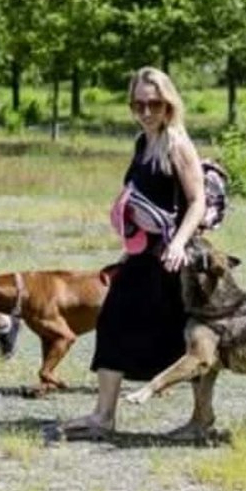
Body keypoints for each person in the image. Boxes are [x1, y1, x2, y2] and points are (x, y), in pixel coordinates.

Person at [61, 67, 207, 437]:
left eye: (154, 104)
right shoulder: (144, 143)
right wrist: (129, 249)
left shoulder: (177, 144)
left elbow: (197, 202)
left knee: (186, 337)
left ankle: (201, 418)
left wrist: (176, 245)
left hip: (172, 258)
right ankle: (103, 415)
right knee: (112, 320)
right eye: (138, 104)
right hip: (144, 255)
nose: (145, 112)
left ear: (169, 104)